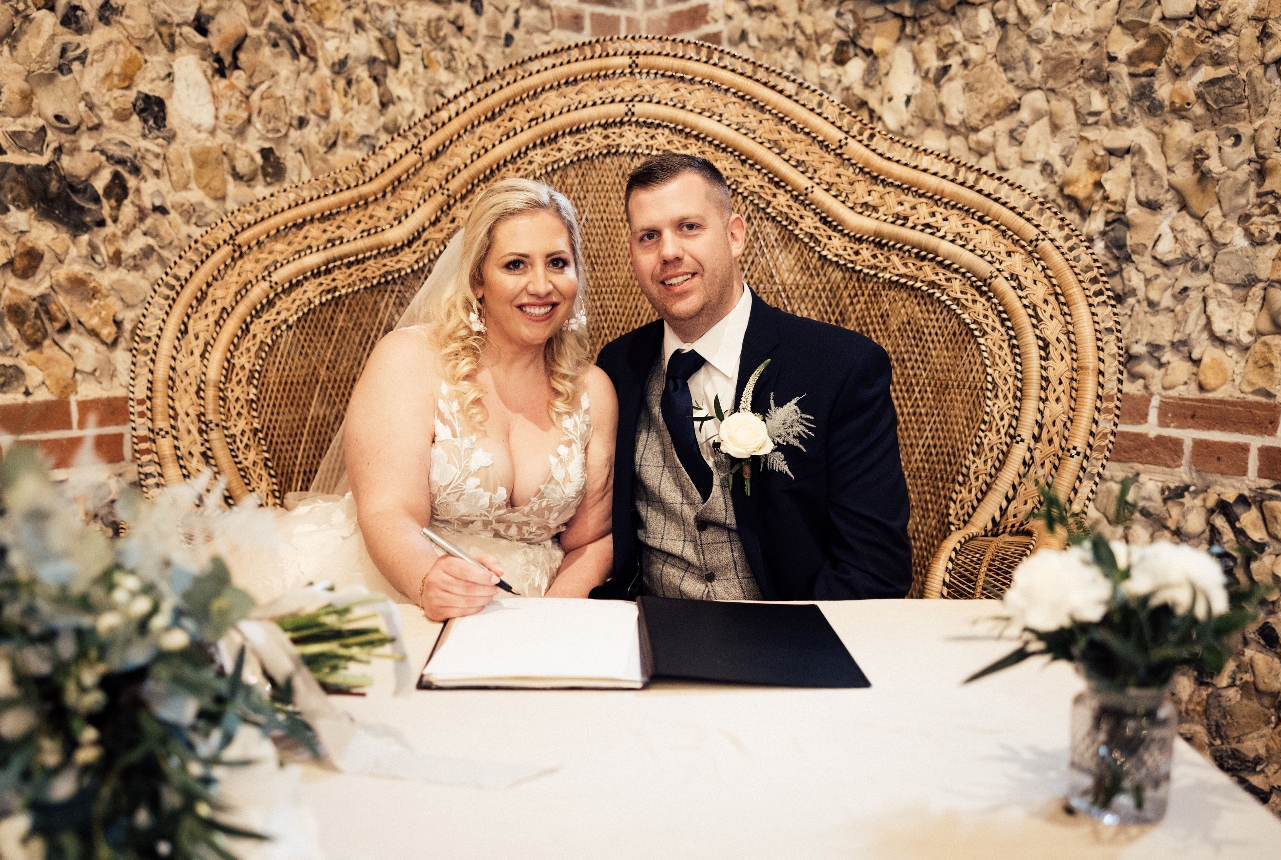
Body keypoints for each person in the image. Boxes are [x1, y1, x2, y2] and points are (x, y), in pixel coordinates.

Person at [259, 179, 617, 621]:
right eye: (515, 265)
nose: (541, 285)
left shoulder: (593, 391)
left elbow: (592, 540)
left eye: (557, 263)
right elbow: (390, 511)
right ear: (477, 280)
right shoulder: (410, 360)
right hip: (401, 584)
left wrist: (550, 621)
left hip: (536, 606)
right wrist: (429, 580)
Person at [592, 154, 912, 602]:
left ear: (735, 235)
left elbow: (874, 570)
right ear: (633, 254)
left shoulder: (840, 367)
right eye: (649, 236)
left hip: (791, 643)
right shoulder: (617, 366)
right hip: (647, 633)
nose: (668, 252)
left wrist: (787, 653)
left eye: (689, 227)